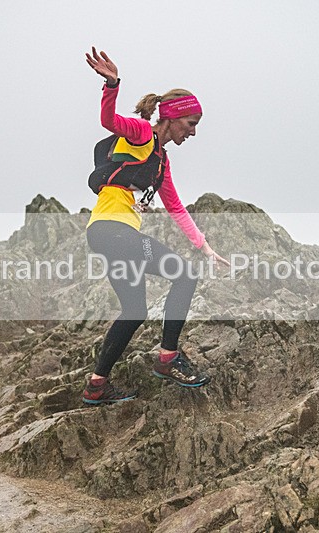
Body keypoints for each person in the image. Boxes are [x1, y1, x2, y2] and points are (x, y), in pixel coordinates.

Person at [82, 47, 229, 405]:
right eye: (191, 124)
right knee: (184, 275)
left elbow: (176, 207)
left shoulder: (160, 162)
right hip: (113, 231)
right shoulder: (141, 135)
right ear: (173, 118)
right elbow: (108, 121)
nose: (193, 133)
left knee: (135, 311)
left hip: (106, 233)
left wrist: (204, 246)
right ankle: (168, 359)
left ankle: (96, 386)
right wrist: (112, 84)